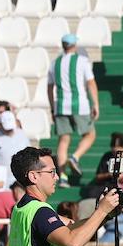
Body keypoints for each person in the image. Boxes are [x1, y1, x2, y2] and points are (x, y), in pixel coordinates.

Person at [47, 34, 98, 182]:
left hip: (61, 106)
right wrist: (95, 104)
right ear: (74, 45)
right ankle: (75, 157)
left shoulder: (54, 63)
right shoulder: (82, 61)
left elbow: (49, 88)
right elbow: (91, 83)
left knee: (63, 141)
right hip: (79, 105)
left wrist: (52, 108)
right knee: (90, 134)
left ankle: (62, 176)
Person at [0, 106, 30, 177]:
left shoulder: (22, 134)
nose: (9, 130)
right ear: (0, 124)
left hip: (20, 177)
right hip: (0, 179)